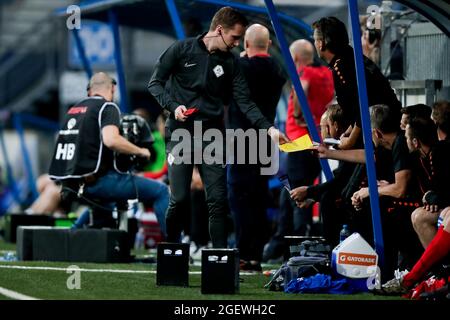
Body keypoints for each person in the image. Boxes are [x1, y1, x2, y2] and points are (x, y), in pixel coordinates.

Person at [148, 7, 288, 248]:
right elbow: (155, 83)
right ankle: (171, 249)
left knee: (217, 201)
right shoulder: (181, 50)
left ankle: (220, 257)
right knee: (179, 199)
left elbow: (245, 102)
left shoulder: (232, 63)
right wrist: (173, 106)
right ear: (220, 30)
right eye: (234, 37)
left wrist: (268, 128)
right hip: (181, 133)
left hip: (212, 135)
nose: (237, 43)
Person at [48, 72, 169, 234]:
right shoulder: (107, 107)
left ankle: (71, 235)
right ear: (112, 89)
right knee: (160, 192)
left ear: (89, 91)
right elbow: (111, 140)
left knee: (106, 202)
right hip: (99, 182)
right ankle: (175, 246)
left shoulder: (75, 110)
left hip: (73, 185)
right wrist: (141, 151)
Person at [263, 39, 334, 261]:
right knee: (291, 194)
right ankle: (280, 245)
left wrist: (297, 114)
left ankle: (295, 249)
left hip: (299, 143)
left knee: (297, 197)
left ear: (294, 59)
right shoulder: (326, 73)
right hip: (317, 143)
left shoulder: (304, 74)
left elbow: (302, 90)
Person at [226, 23, 286, 271]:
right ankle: (255, 255)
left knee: (239, 196)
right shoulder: (278, 69)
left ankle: (242, 253)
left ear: (245, 44)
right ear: (269, 44)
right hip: (265, 139)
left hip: (241, 138)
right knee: (259, 196)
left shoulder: (239, 66)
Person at [312, 17, 401, 150]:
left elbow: (364, 108)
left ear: (321, 43)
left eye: (315, 40)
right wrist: (348, 132)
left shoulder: (343, 67)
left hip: (382, 136)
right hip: (379, 129)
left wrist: (350, 141)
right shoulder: (348, 58)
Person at [290, 104, 355, 247]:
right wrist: (313, 197)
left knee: (328, 199)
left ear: (336, 126)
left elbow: (341, 181)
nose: (321, 132)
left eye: (323, 127)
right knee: (326, 197)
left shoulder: (351, 147)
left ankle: (331, 248)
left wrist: (308, 191)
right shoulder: (344, 147)